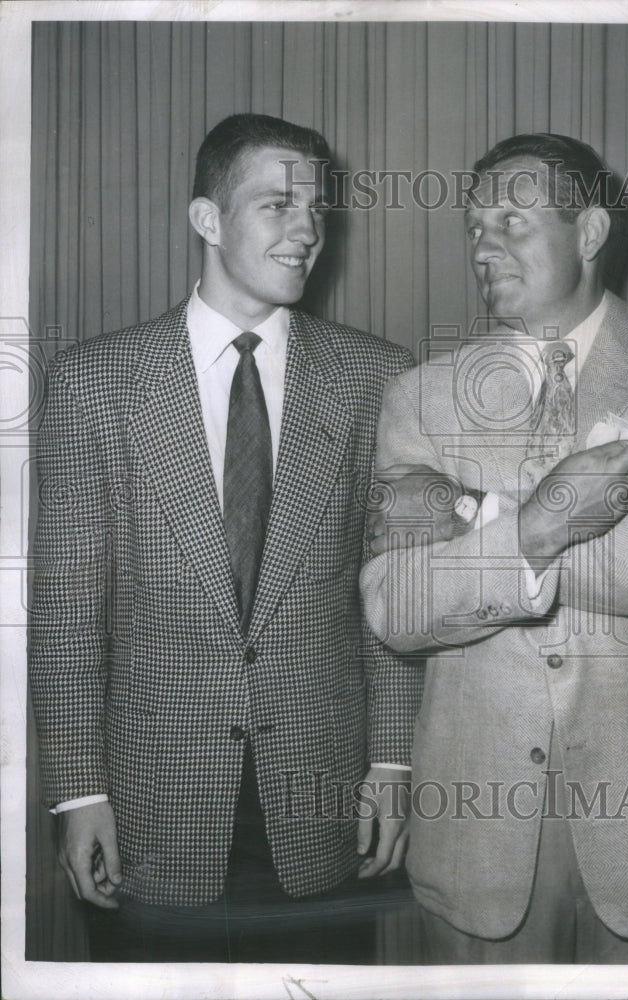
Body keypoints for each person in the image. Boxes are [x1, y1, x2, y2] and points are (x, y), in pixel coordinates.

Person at [29, 113, 422, 964]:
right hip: (148, 810)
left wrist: (392, 766)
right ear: (206, 219)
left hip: (326, 807)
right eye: (277, 205)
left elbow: (393, 593)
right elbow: (65, 612)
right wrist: (77, 793)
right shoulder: (96, 383)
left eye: (317, 209)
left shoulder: (379, 377)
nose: (308, 230)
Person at [360, 133, 628, 964]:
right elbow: (395, 607)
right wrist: (551, 517)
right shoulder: (420, 396)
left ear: (589, 233)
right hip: (476, 839)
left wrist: (475, 511)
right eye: (473, 226)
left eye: (511, 219)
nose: (483, 244)